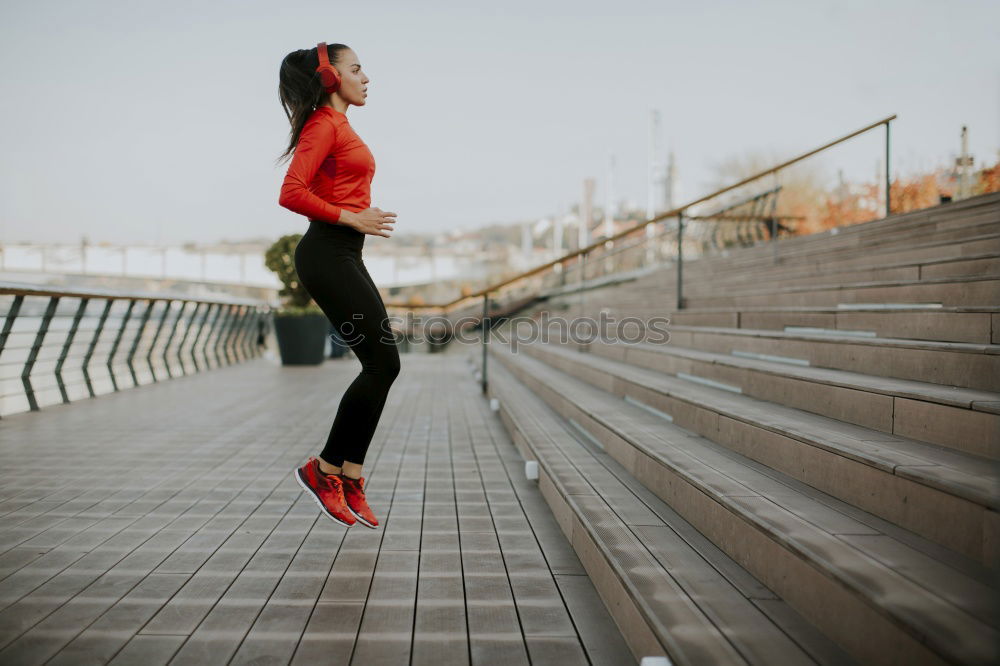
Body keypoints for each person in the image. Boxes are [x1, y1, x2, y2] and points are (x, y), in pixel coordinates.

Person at [276, 42, 401, 529]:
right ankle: (323, 470)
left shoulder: (342, 126)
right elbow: (291, 192)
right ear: (329, 78)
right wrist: (352, 216)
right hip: (326, 253)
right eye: (355, 68)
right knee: (381, 362)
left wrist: (354, 220)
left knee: (384, 364)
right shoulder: (323, 124)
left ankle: (350, 476)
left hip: (344, 252)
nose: (366, 77)